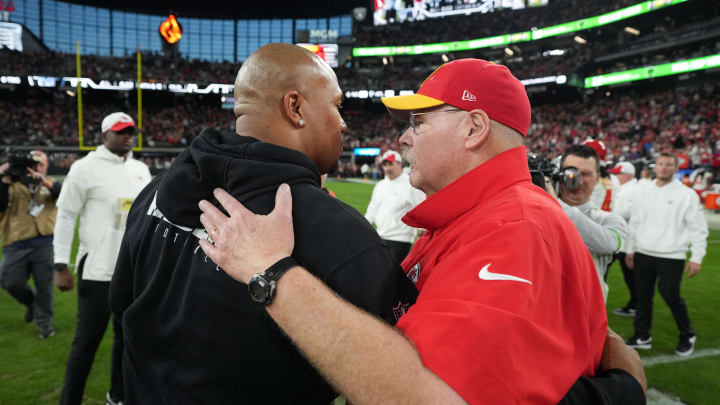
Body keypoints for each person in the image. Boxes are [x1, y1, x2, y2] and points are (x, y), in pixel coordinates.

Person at [199, 57, 647, 404]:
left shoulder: (514, 228)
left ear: (474, 128)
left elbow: (425, 395)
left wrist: (272, 272)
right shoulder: (478, 216)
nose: (405, 138)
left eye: (419, 122)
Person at [109, 43, 418, 404]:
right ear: (295, 107)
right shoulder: (345, 237)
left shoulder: (154, 192)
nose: (344, 123)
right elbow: (394, 386)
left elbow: (122, 308)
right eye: (337, 106)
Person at [53, 112, 151, 405]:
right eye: (120, 131)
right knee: (86, 343)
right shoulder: (84, 168)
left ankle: (117, 397)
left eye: (130, 131)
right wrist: (60, 264)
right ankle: (69, 400)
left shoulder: (141, 170)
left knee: (127, 341)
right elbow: (66, 216)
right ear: (103, 135)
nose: (127, 136)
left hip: (132, 273)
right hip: (97, 271)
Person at [624, 152, 708, 357]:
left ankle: (687, 334)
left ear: (675, 168)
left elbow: (698, 228)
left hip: (672, 255)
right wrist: (630, 249)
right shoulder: (644, 191)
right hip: (643, 252)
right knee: (643, 297)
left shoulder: (686, 195)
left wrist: (696, 257)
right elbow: (635, 223)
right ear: (655, 167)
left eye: (668, 164)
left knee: (670, 295)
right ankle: (642, 335)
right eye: (660, 164)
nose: (663, 168)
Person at [549, 145, 627, 302]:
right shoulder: (541, 211)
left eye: (585, 174)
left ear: (598, 178)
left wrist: (552, 201)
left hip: (586, 315)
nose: (577, 179)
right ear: (558, 175)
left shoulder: (609, 220)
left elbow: (609, 244)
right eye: (571, 172)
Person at [0, 150, 63, 339]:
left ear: (45, 166)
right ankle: (30, 303)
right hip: (15, 242)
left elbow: (63, 195)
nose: (36, 167)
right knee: (9, 281)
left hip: (45, 241)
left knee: (44, 287)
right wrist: (3, 176)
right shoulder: (9, 183)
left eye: (41, 164)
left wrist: (43, 180)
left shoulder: (49, 183)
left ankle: (45, 325)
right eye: (33, 164)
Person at [365, 150, 426, 263]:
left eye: (391, 164)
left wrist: (421, 231)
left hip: (400, 239)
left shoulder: (410, 184)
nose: (387, 168)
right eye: (385, 165)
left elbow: (422, 207)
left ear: (400, 164)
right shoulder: (380, 185)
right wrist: (363, 226)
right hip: (380, 236)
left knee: (389, 275)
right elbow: (372, 209)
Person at [608, 162, 641, 317]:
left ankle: (636, 304)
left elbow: (629, 213)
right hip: (619, 238)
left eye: (618, 173)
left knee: (631, 275)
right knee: (626, 274)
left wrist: (610, 215)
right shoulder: (624, 189)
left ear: (627, 174)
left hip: (627, 240)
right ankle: (635, 303)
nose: (615, 176)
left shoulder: (635, 190)